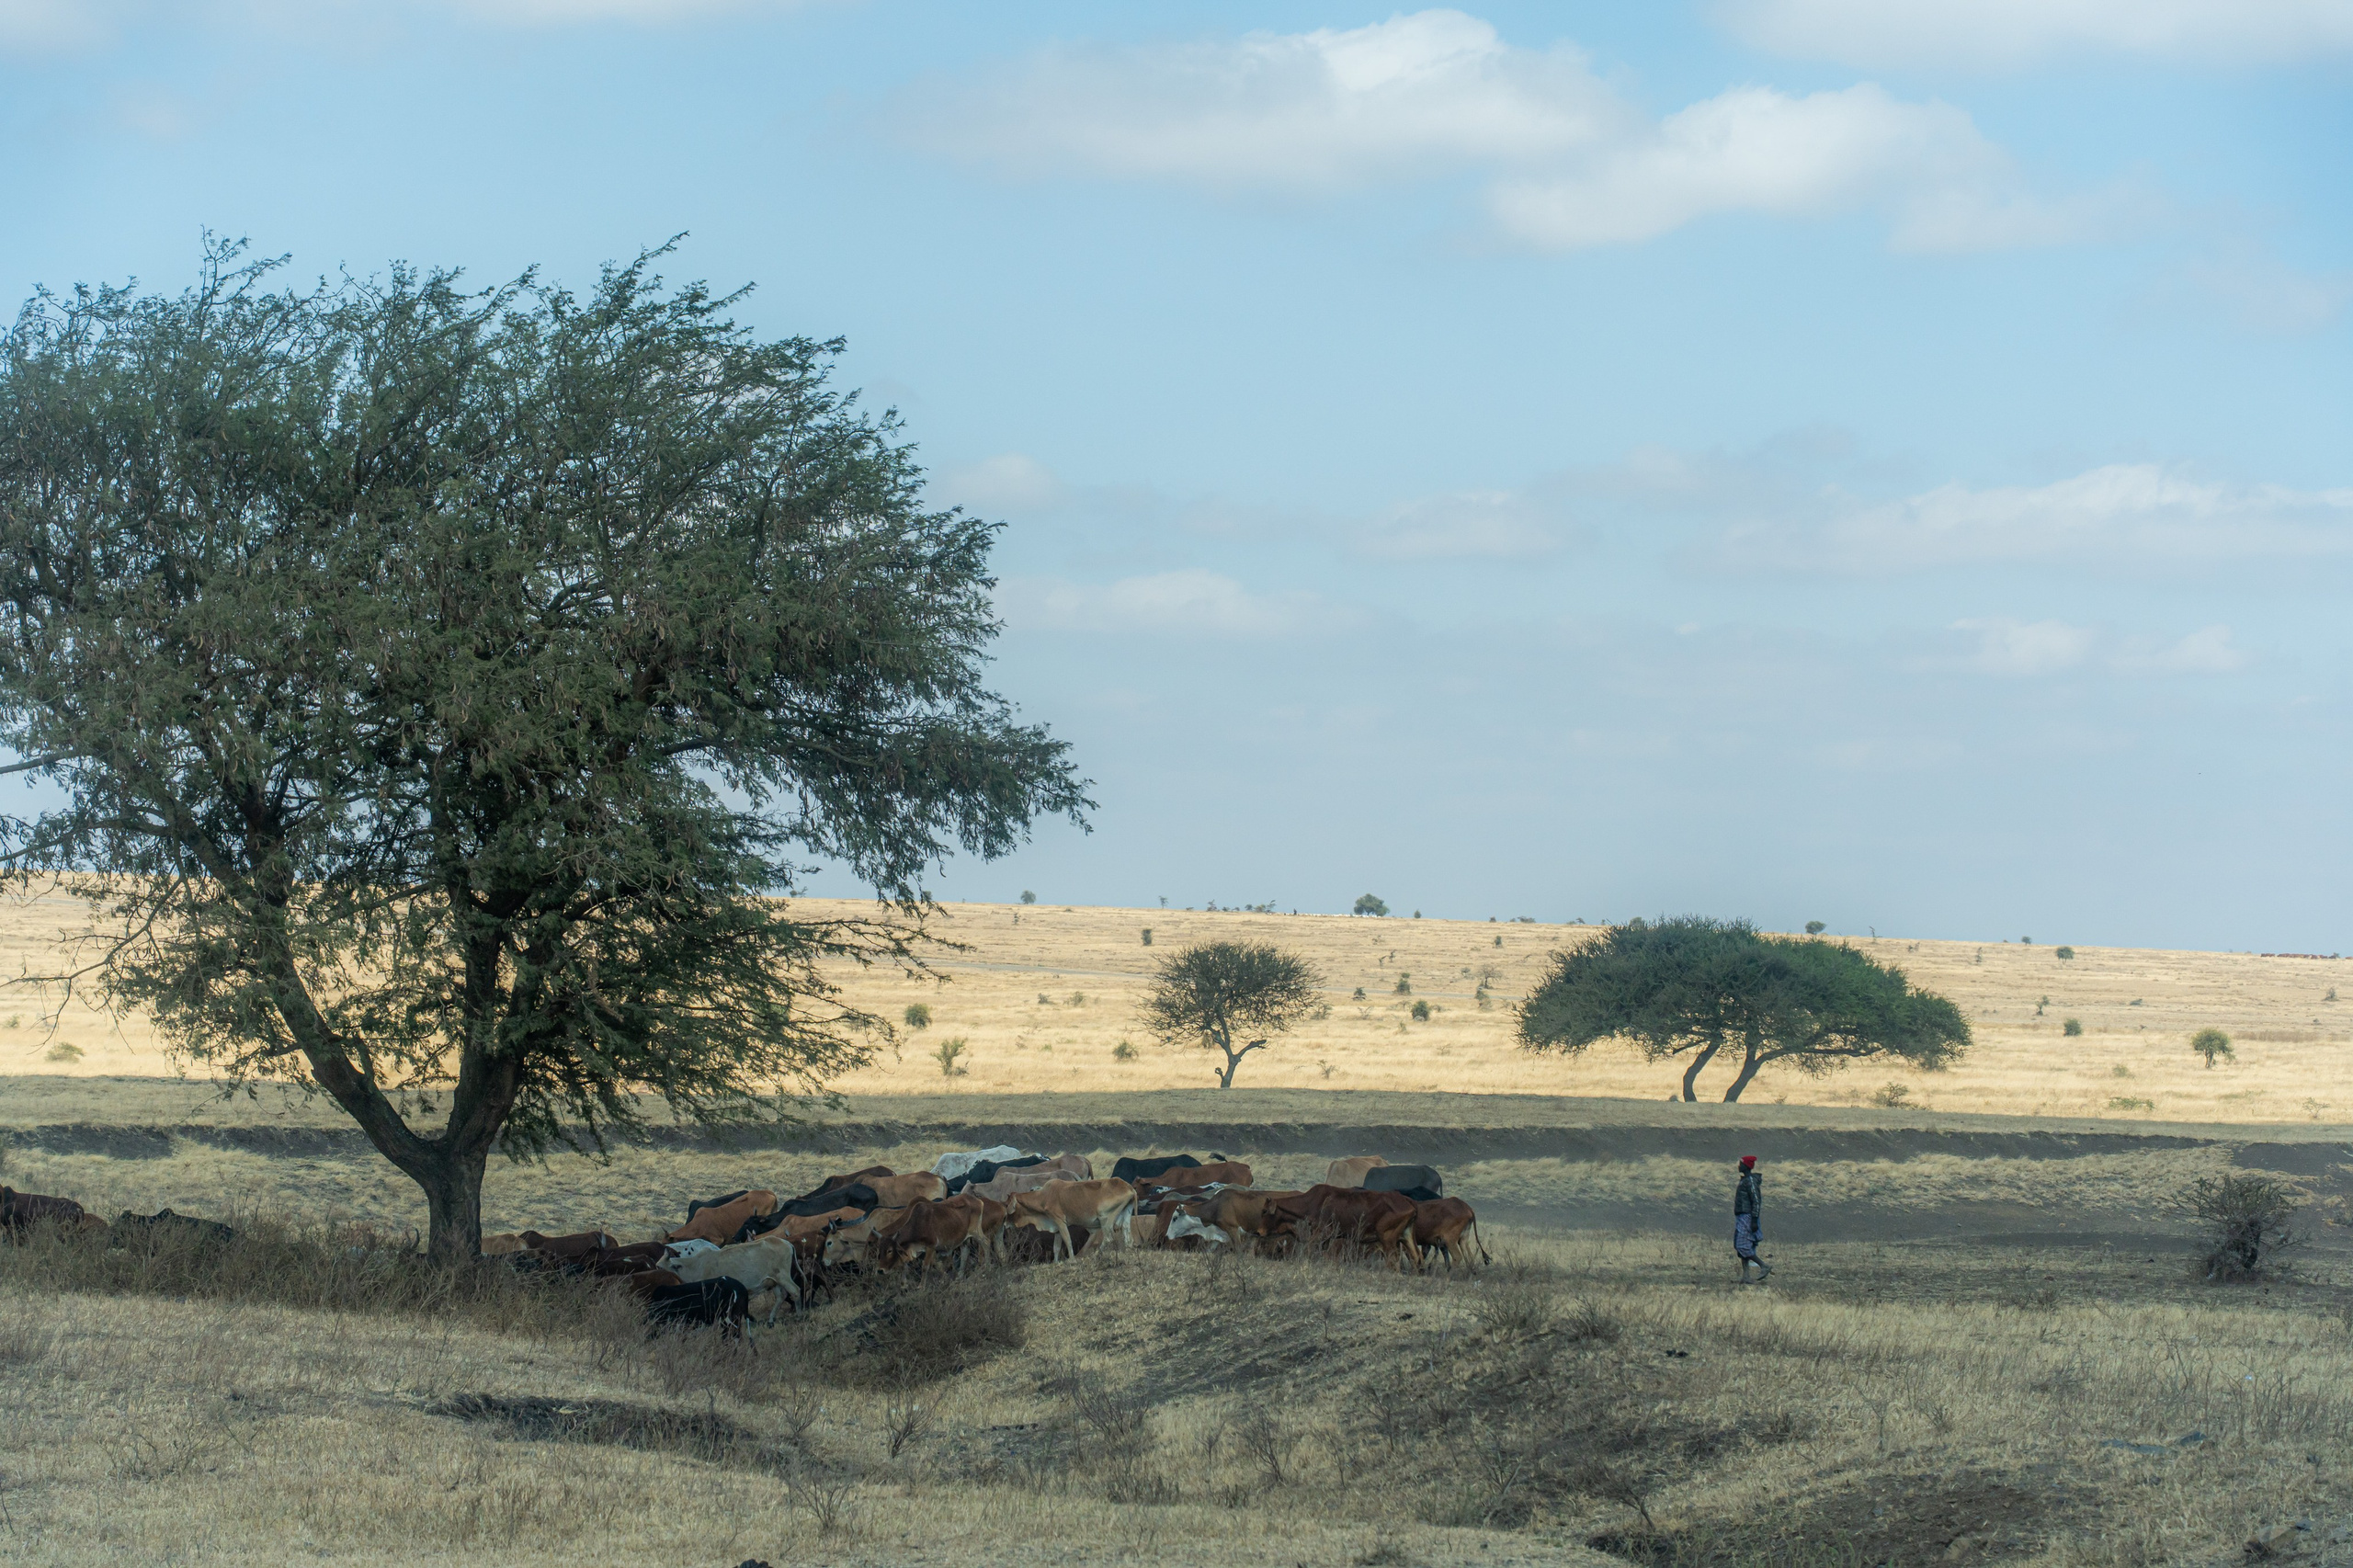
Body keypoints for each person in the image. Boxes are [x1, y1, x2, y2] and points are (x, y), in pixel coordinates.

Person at [1733, 1154, 1771, 1282]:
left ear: (1747, 1166)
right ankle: (1746, 1276)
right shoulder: (1746, 1180)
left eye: (1741, 1163)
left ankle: (1764, 1266)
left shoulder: (1750, 1181)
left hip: (1747, 1216)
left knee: (1743, 1245)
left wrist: (1754, 1219)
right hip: (1743, 1216)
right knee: (1743, 1246)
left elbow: (1756, 1201)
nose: (1739, 1165)